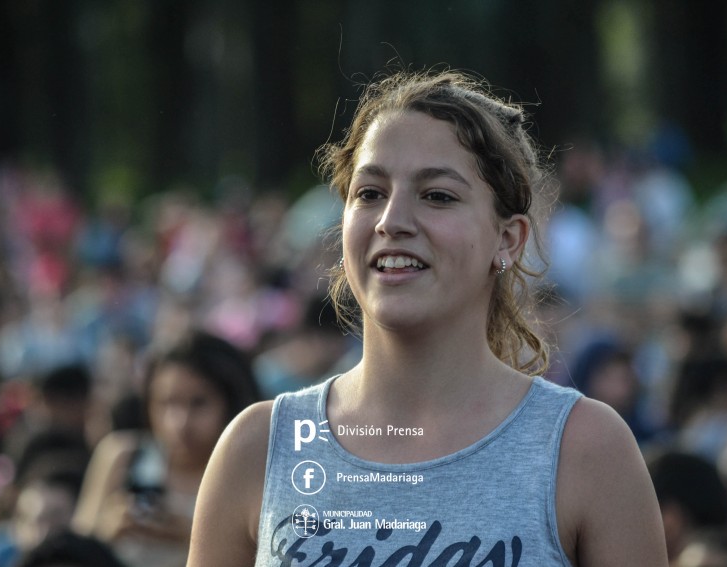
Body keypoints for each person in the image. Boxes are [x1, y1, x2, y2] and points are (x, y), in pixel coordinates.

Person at [187, 69, 667, 566]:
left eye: (437, 195)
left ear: (509, 239)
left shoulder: (586, 449)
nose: (392, 221)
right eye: (369, 193)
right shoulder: (260, 448)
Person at [71, 329, 260, 567]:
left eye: (198, 403)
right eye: (167, 403)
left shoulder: (249, 475)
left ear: (232, 402)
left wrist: (194, 538)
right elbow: (72, 550)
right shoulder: (123, 457)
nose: (180, 423)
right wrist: (104, 532)